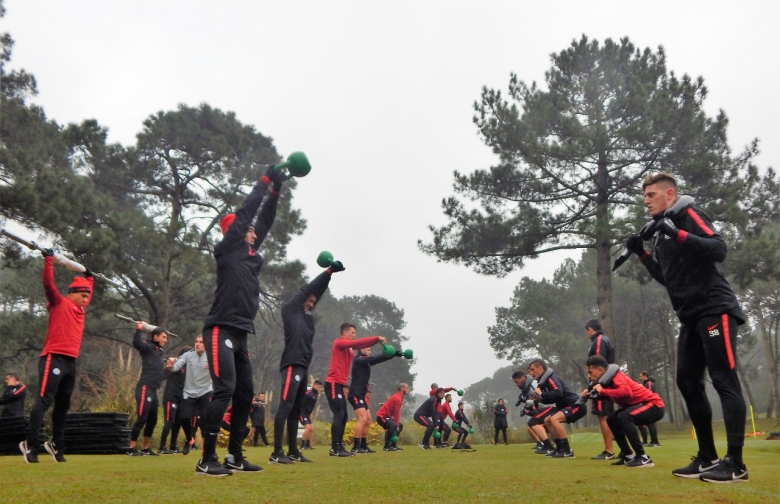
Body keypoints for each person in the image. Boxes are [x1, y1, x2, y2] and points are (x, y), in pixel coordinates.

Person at [627, 172, 748, 482]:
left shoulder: (688, 213)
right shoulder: (661, 232)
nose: (646, 200)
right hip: (691, 315)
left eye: (651, 195)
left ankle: (735, 463)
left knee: (723, 379)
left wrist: (677, 231)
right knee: (687, 381)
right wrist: (641, 252)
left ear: (670, 194)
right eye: (644, 196)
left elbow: (718, 248)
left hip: (715, 308)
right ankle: (707, 457)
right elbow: (668, 277)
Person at [197, 165, 284, 476]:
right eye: (247, 228)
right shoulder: (227, 250)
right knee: (225, 389)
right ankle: (206, 458)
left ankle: (234, 455)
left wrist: (276, 190)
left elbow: (265, 220)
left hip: (241, 333)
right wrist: (263, 181)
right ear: (235, 231)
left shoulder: (249, 253)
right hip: (220, 329)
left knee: (245, 394)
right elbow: (248, 213)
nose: (253, 231)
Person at [21, 251, 93, 464]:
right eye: (83, 295)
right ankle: (30, 445)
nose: (86, 299)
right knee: (44, 401)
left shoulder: (80, 308)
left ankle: (56, 445)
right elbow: (48, 284)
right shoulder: (59, 303)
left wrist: (89, 277)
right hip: (54, 357)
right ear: (72, 293)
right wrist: (49, 260)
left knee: (62, 405)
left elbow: (88, 290)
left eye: (88, 296)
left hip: (71, 361)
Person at [271, 267, 336, 465]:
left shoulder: (309, 318)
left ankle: (292, 451)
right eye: (308, 300)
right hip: (291, 363)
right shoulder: (290, 311)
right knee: (286, 406)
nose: (310, 303)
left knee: (296, 409)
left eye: (313, 302)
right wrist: (327, 271)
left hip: (303, 366)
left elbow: (318, 292)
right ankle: (276, 453)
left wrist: (329, 277)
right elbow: (308, 289)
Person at [584, 355, 665, 468]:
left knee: (624, 417)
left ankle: (643, 457)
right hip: (640, 405)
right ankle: (628, 456)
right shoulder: (607, 381)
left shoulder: (617, 376)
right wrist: (591, 395)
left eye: (590, 372)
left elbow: (626, 392)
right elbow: (611, 395)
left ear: (600, 370)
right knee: (612, 419)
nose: (589, 376)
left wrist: (602, 391)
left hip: (654, 405)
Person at [325, 323, 386, 457]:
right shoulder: (339, 342)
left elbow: (360, 345)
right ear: (344, 332)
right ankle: (335, 448)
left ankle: (339, 447)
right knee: (339, 414)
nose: (354, 335)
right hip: (333, 383)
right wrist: (377, 339)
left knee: (344, 415)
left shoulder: (350, 348)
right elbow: (360, 342)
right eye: (352, 332)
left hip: (340, 385)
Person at [528, 358, 585, 458]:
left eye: (533, 369)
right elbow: (552, 398)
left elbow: (558, 392)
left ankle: (567, 451)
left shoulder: (551, 378)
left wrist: (541, 393)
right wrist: (540, 398)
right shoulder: (544, 382)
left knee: (554, 419)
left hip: (575, 405)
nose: (531, 372)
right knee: (548, 420)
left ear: (540, 368)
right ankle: (560, 449)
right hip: (566, 406)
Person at [127, 322, 168, 456]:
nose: (165, 340)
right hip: (144, 387)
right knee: (142, 418)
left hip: (153, 389)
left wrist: (168, 369)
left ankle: (145, 448)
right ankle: (131, 448)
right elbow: (136, 343)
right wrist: (139, 329)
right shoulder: (148, 347)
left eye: (166, 338)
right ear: (155, 337)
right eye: (163, 337)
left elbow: (161, 376)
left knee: (152, 420)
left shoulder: (159, 352)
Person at [348, 346, 398, 453]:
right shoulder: (358, 360)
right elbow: (374, 359)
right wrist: (388, 354)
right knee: (362, 419)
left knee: (368, 420)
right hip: (355, 394)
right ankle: (355, 447)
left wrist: (392, 355)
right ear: (361, 350)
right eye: (368, 349)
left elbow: (376, 360)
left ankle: (363, 445)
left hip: (361, 395)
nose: (370, 351)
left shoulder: (365, 362)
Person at [171, 335, 213, 456]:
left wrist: (213, 368)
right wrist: (171, 365)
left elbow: (220, 372)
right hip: (189, 393)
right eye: (196, 341)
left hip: (205, 391)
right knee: (184, 417)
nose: (198, 344)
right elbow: (175, 367)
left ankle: (207, 449)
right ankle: (190, 439)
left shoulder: (211, 356)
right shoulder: (188, 355)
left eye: (201, 342)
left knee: (205, 420)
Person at [584, 318, 617, 460]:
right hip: (607, 382)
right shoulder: (606, 339)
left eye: (586, 331)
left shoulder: (598, 341)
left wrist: (592, 385)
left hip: (602, 385)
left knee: (603, 417)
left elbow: (598, 364)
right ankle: (620, 450)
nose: (586, 334)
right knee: (609, 417)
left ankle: (609, 451)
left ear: (590, 329)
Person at [158, 346, 190, 454]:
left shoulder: (188, 368)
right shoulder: (176, 365)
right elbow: (162, 376)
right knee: (169, 422)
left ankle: (173, 446)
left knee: (178, 423)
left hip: (181, 399)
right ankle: (162, 447)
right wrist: (168, 366)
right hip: (170, 398)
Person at [511, 370, 542, 451]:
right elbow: (534, 402)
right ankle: (545, 444)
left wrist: (527, 409)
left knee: (533, 423)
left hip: (549, 407)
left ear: (522, 378)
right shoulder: (527, 388)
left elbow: (541, 400)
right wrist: (527, 403)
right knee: (532, 425)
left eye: (516, 381)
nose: (515, 384)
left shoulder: (534, 384)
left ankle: (547, 445)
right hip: (544, 408)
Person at [376, 383, 409, 451]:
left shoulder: (399, 397)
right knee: (393, 426)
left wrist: (397, 425)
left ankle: (393, 445)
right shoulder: (397, 398)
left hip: (387, 417)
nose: (408, 390)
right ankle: (387, 446)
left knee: (400, 426)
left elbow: (395, 413)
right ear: (402, 389)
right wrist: (396, 425)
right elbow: (396, 413)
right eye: (407, 388)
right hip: (381, 417)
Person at [637, 371, 661, 447]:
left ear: (645, 376)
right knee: (645, 424)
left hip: (650, 405)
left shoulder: (649, 383)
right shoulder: (646, 384)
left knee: (651, 424)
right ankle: (650, 441)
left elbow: (649, 394)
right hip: (646, 405)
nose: (640, 378)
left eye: (641, 376)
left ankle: (655, 442)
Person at [299, 381, 322, 450]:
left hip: (307, 414)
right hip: (302, 412)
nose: (319, 389)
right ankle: (302, 445)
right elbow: (301, 401)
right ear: (314, 385)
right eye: (319, 387)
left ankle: (308, 445)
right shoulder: (308, 393)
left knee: (312, 429)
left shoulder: (316, 393)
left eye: (320, 387)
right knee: (308, 428)